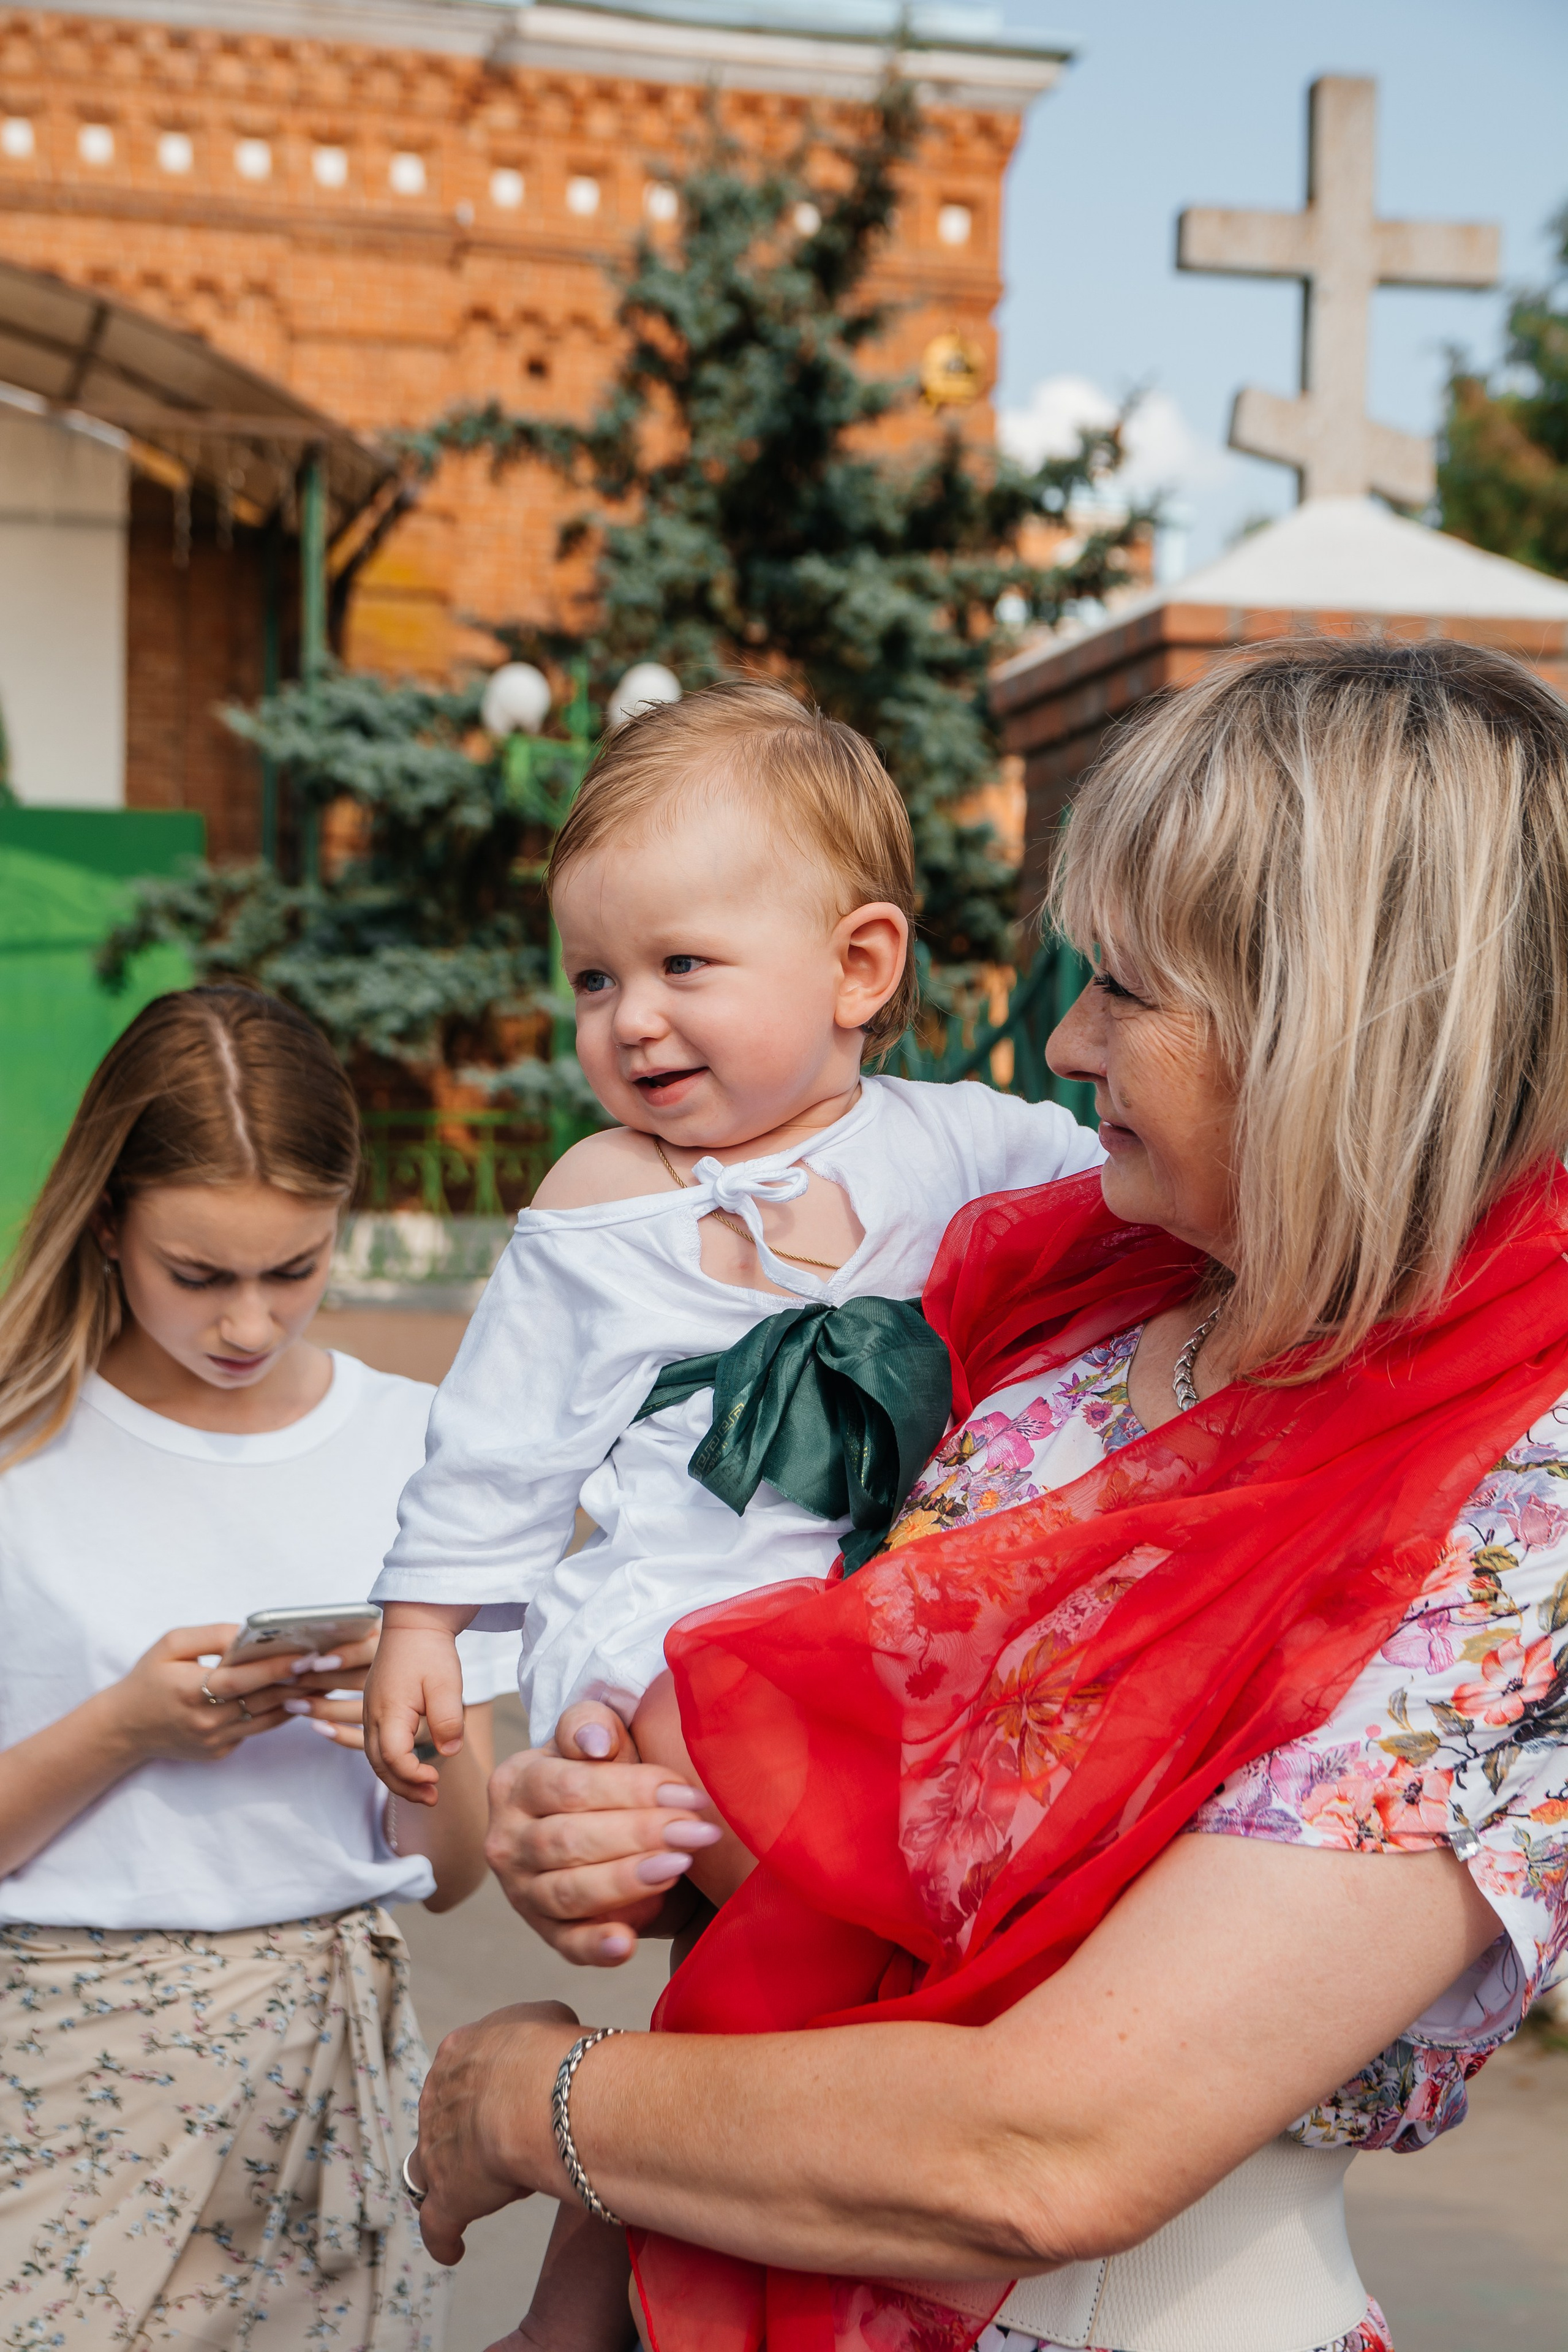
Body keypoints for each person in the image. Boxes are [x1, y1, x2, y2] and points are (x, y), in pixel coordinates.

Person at [412, 640, 1568, 2352]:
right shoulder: (1064, 1304)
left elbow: (1058, 2146)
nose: (1069, 1040)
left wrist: (537, 2103)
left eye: (1128, 990)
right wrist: (618, 1831)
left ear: (1335, 1020)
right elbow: (844, 1812)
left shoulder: (1519, 1494)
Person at [363, 681, 1101, 1799]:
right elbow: (501, 1437)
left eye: (681, 965)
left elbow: (1133, 1202)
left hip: (903, 1618)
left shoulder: (962, 1144)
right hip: (675, 1621)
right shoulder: (603, 1197)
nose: (631, 1018)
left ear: (859, 967)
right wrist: (425, 1623)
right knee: (692, 1721)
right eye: (594, 979)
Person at [0, 986, 516, 2352]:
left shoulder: (425, 1449)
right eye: (200, 1275)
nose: (249, 1321)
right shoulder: (19, 1446)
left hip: (337, 2089)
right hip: (57, 2084)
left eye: (294, 1268)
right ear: (108, 1224)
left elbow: (452, 1873)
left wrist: (416, 1733)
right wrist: (126, 1728)